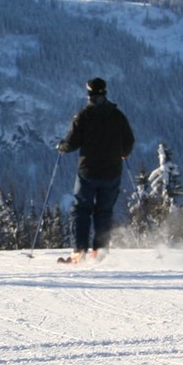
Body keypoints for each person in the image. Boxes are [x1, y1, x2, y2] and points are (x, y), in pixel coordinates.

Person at [56, 77, 134, 262]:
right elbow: (129, 141)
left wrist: (61, 146)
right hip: (112, 172)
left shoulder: (83, 116)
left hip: (88, 172)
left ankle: (79, 251)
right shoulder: (117, 116)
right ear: (105, 92)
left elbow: (72, 143)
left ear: (89, 93)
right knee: (104, 211)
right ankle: (100, 250)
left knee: (81, 210)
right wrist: (122, 154)